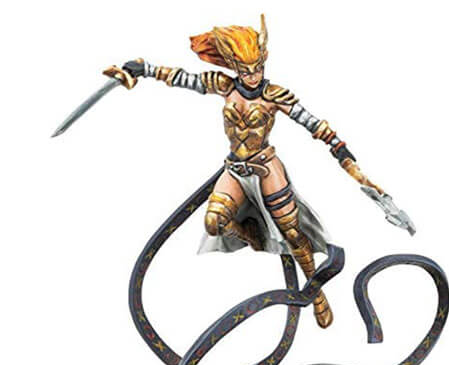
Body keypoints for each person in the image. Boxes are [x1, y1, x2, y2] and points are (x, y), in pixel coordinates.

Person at [105, 15, 384, 329]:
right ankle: (250, 234)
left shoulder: (274, 96)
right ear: (234, 67)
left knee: (293, 234)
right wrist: (143, 69)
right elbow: (181, 78)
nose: (253, 76)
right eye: (245, 70)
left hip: (265, 168)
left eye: (257, 68)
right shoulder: (223, 86)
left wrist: (341, 151)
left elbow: (314, 124)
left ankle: (316, 294)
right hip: (236, 169)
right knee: (214, 223)